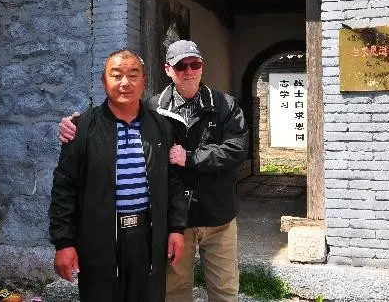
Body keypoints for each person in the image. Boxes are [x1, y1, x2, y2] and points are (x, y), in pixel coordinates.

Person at [59, 40, 249, 302]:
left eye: (195, 64)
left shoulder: (224, 104)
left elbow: (237, 148)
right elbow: (67, 182)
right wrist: (73, 125)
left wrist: (192, 157)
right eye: (181, 66)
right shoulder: (152, 108)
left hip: (216, 213)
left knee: (225, 291)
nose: (189, 71)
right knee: (173, 293)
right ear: (168, 70)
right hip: (171, 223)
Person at [49, 49, 187, 302]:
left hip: (147, 236)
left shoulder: (162, 128)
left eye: (133, 75)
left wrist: (177, 229)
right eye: (116, 75)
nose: (125, 83)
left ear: (144, 81)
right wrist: (63, 243)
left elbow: (174, 183)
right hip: (98, 237)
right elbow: (64, 187)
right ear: (104, 82)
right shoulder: (82, 129)